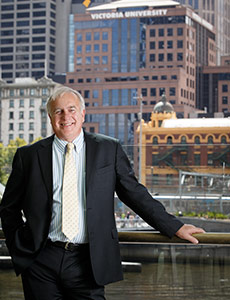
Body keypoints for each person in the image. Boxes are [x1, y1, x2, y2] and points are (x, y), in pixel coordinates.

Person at [0, 86, 205, 300]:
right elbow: (9, 207)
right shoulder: (28, 156)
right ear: (51, 117)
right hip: (41, 260)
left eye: (71, 110)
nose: (66, 117)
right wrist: (20, 247)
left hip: (89, 260)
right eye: (58, 111)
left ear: (82, 114)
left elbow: (134, 194)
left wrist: (175, 226)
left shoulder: (109, 149)